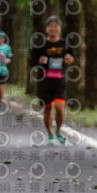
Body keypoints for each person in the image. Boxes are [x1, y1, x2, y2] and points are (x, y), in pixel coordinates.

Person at [29, 15, 74, 145]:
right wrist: (39, 61)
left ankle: (58, 131)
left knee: (60, 108)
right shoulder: (40, 45)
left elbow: (71, 59)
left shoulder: (65, 44)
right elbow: (31, 62)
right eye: (51, 26)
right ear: (46, 29)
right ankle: (50, 135)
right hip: (44, 82)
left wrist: (69, 59)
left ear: (60, 28)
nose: (53, 28)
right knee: (47, 110)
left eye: (56, 26)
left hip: (59, 81)